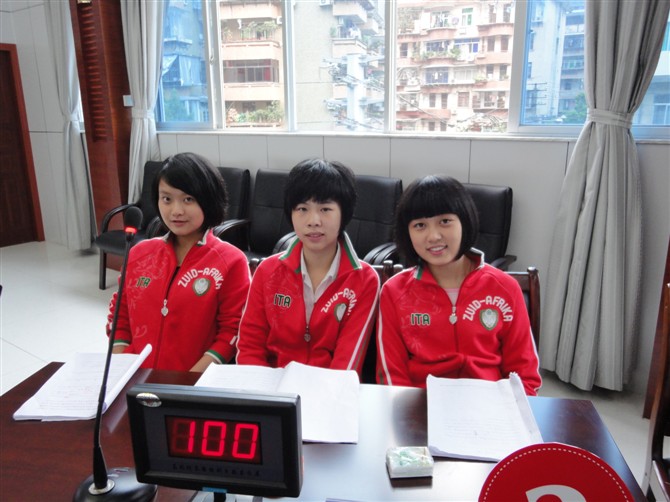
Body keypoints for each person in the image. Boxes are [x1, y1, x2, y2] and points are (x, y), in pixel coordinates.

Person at [376, 175, 541, 395]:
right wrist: (409, 411)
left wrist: (510, 411)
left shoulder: (505, 288)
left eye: (445, 221)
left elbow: (524, 375)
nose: (433, 236)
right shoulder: (394, 291)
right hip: (421, 404)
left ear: (465, 221)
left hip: (489, 404)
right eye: (420, 225)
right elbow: (391, 374)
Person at [108, 152, 251, 372]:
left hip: (192, 382)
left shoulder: (231, 261)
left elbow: (232, 332)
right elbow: (120, 314)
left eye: (188, 199)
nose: (176, 211)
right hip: (134, 376)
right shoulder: (140, 254)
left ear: (209, 200)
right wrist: (121, 368)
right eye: (167, 199)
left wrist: (188, 382)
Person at [236, 158, 380, 377]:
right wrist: (264, 393)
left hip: (329, 390)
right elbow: (249, 346)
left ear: (344, 213)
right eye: (302, 209)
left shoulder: (364, 279)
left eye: (325, 209)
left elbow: (347, 363)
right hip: (271, 389)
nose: (313, 221)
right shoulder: (268, 271)